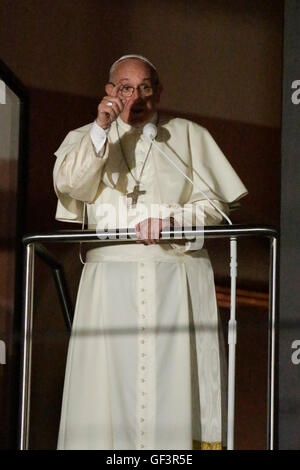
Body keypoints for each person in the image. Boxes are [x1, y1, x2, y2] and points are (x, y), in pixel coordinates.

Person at [53, 54, 247, 450]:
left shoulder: (186, 136)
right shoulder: (85, 137)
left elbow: (217, 208)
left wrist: (172, 219)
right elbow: (71, 185)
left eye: (145, 87)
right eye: (125, 87)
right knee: (104, 397)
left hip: (175, 283)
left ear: (158, 92)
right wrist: (101, 129)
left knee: (173, 392)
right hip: (109, 286)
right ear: (109, 92)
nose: (136, 96)